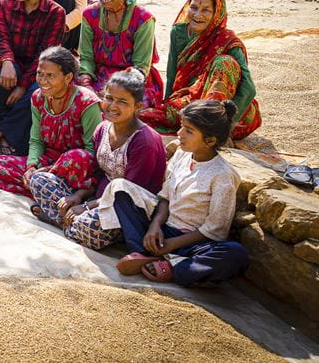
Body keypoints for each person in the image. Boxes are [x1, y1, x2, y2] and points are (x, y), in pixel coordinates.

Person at [107, 100, 250, 286]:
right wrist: (155, 226)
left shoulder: (223, 175)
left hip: (192, 243)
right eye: (182, 127)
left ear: (210, 140)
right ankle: (146, 253)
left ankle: (172, 266)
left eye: (189, 131)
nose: (179, 134)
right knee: (120, 188)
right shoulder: (182, 154)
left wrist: (172, 245)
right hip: (163, 230)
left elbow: (215, 229)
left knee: (235, 254)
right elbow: (165, 196)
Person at [28, 68, 166, 250]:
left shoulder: (144, 142)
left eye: (122, 101)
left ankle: (60, 221)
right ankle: (68, 222)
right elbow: (98, 173)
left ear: (138, 106)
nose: (113, 106)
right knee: (39, 180)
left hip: (127, 210)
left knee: (91, 227)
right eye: (109, 98)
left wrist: (86, 207)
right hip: (98, 199)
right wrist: (79, 196)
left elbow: (129, 196)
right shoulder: (102, 129)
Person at [139, 0, 261, 140]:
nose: (197, 15)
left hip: (228, 113)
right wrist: (167, 106)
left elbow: (248, 88)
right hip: (190, 103)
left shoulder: (227, 41)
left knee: (224, 62)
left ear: (217, 13)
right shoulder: (178, 32)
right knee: (140, 119)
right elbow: (172, 76)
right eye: (194, 7)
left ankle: (212, 128)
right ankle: (200, 127)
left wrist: (228, 123)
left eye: (206, 10)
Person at [0, 47, 100, 196]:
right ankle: (45, 189)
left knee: (78, 157)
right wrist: (31, 167)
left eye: (50, 76)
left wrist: (49, 170)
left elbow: (92, 153)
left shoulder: (87, 102)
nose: (42, 81)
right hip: (46, 163)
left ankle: (49, 188)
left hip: (74, 167)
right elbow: (36, 141)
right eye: (40, 74)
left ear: (67, 78)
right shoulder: (38, 97)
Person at [0, 0, 66, 156]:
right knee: (2, 74)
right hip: (11, 63)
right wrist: (7, 62)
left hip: (40, 69)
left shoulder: (55, 13)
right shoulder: (6, 6)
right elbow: (2, 41)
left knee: (38, 92)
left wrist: (23, 85)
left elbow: (46, 55)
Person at [78, 0, 164, 106]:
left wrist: (112, 91)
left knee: (125, 109)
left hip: (131, 80)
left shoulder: (143, 19)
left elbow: (141, 67)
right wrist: (87, 85)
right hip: (97, 75)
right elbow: (86, 58)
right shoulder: (89, 15)